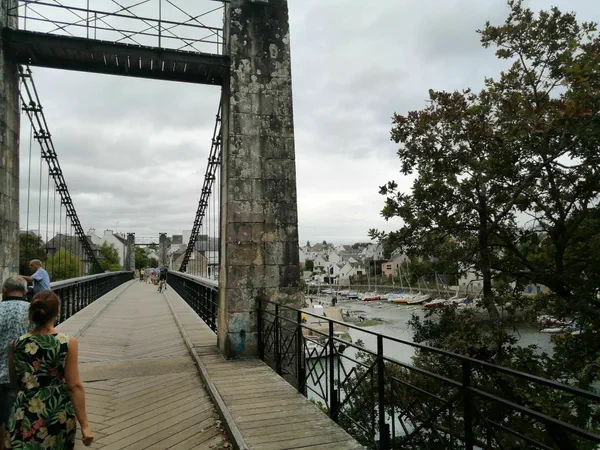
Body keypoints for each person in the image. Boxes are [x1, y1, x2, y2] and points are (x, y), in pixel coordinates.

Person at [6, 290, 94, 449]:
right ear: (57, 311)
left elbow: (14, 383)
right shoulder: (67, 343)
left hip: (24, 412)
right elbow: (74, 386)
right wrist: (85, 425)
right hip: (56, 412)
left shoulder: (15, 344)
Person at [0, 277, 29, 450]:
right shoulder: (32, 311)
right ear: (25, 292)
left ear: (4, 290)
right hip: (20, 376)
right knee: (17, 422)